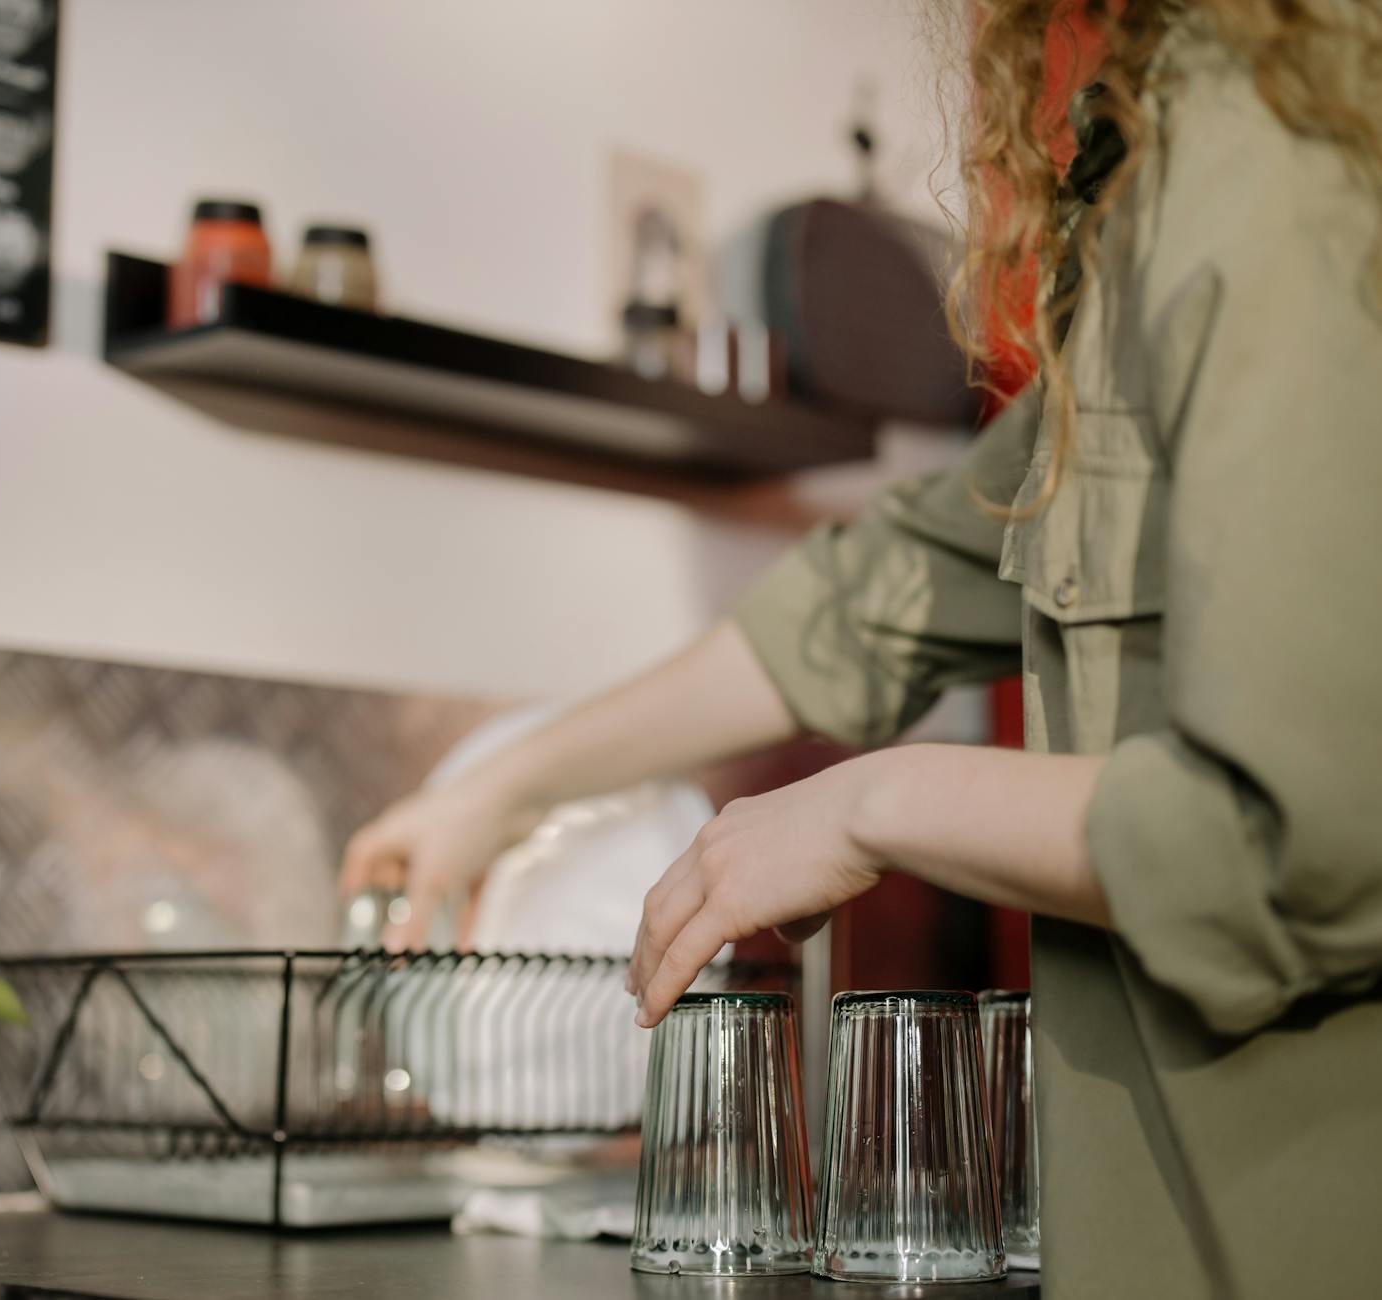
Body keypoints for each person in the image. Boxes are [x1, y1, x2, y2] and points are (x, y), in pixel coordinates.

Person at [340, 2, 1382, 1294]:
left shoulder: (1281, 131)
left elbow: (1309, 826)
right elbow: (876, 593)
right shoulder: (1153, 163)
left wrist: (872, 806)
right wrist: (497, 788)